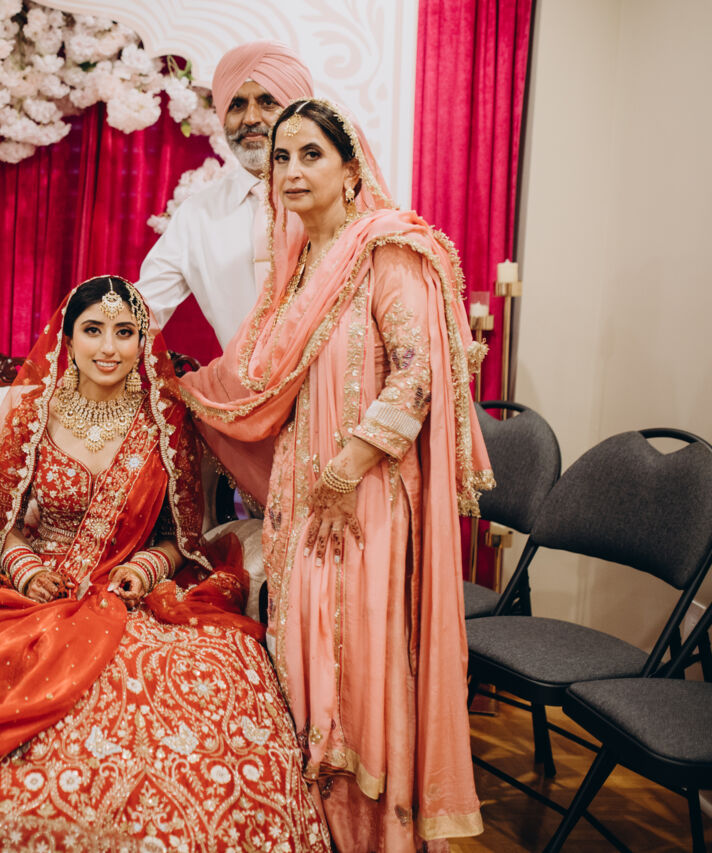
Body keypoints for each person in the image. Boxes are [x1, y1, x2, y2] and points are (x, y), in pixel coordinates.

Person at [0, 277, 330, 853]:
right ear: (68, 339)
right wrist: (29, 571)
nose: (109, 347)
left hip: (139, 597)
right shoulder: (34, 412)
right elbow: (2, 528)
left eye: (125, 332)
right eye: (94, 331)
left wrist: (147, 569)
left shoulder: (165, 420)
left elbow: (181, 535)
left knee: (210, 673)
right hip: (38, 597)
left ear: (142, 342)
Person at [181, 99, 494, 851]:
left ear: (350, 169)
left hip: (366, 492)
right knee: (301, 653)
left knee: (354, 661)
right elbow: (261, 379)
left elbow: (417, 377)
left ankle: (370, 836)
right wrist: (180, 391)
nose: (291, 171)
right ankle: (308, 830)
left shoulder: (387, 250)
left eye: (311, 154)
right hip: (302, 489)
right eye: (281, 157)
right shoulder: (297, 271)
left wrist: (347, 467)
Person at [135, 40, 315, 347]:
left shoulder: (336, 198)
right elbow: (143, 308)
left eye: (268, 102)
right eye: (236, 105)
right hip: (239, 378)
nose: (250, 118)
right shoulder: (198, 214)